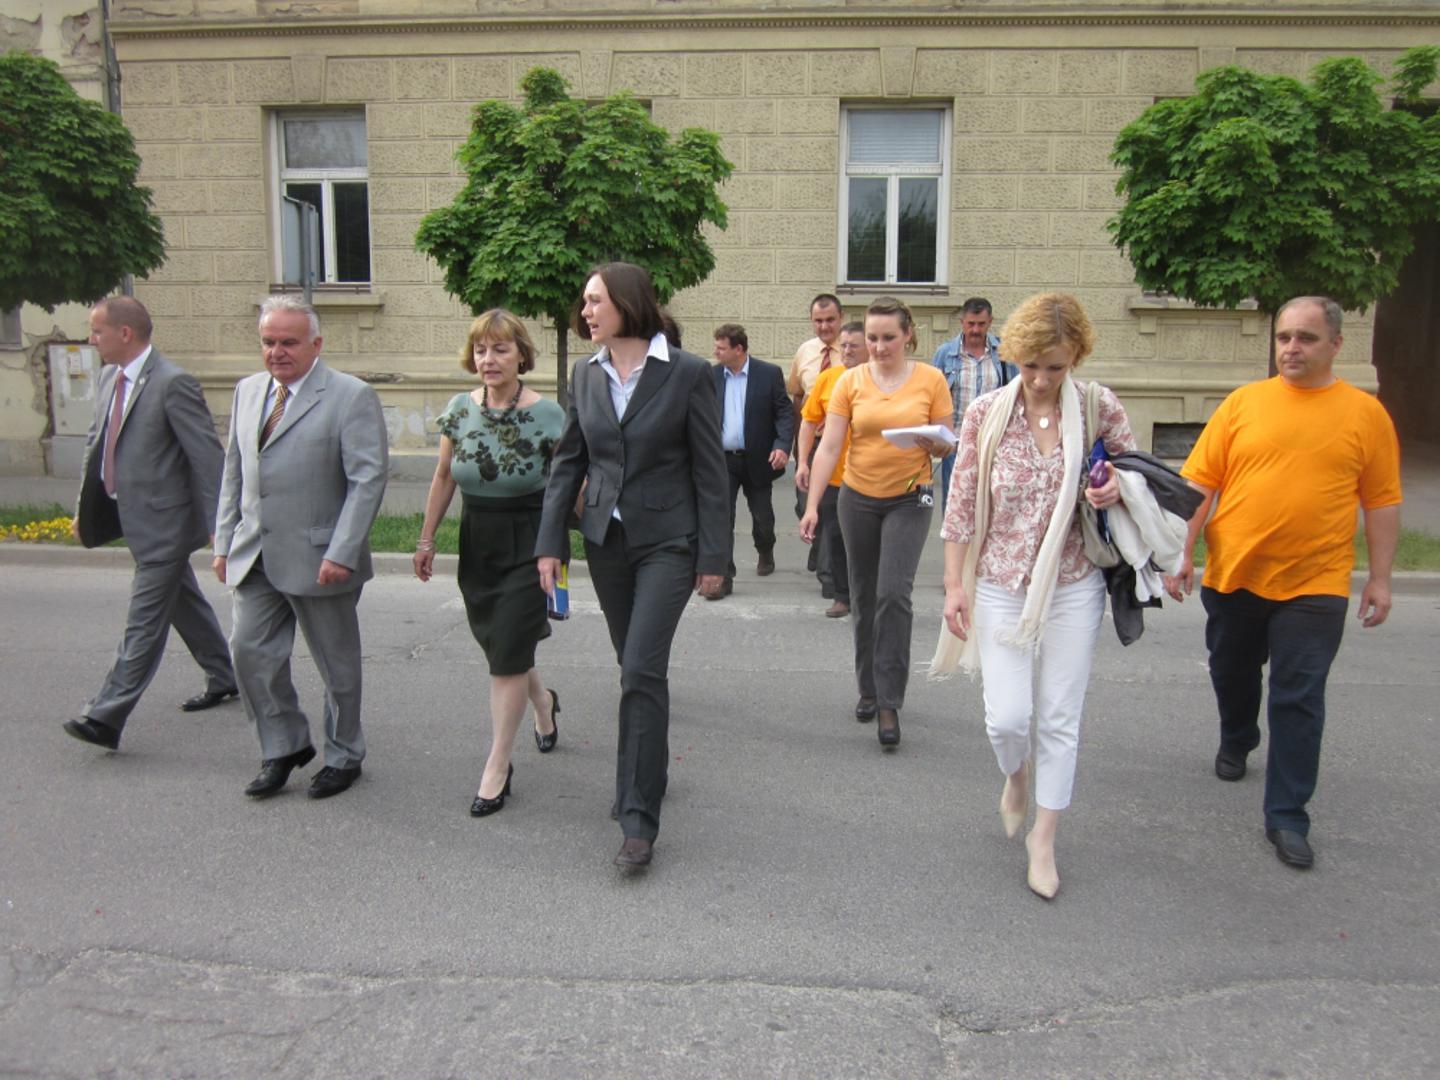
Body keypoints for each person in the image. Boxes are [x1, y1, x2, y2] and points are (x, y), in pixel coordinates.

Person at [1165, 296, 1402, 871]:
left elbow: (1382, 500)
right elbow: (1200, 484)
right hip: (1236, 572)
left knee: (1299, 697)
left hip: (1316, 582)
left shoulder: (1366, 415)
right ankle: (1238, 736)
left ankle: (1288, 816)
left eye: (1306, 338)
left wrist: (1381, 579)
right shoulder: (1243, 404)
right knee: (1232, 671)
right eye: (1284, 337)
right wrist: (1181, 551)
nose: (1291, 348)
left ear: (1336, 345)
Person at [937, 292, 1135, 900]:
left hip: (1074, 581)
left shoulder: (1098, 407)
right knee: (1008, 719)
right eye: (1031, 366)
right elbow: (962, 502)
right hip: (999, 581)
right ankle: (1016, 775)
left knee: (1058, 717)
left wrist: (1115, 487)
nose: (1043, 380)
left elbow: (1135, 477)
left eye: (1056, 366)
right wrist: (954, 584)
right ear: (1014, 357)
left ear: (1076, 357)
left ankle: (1044, 838)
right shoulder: (987, 412)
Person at [535, 262, 728, 870]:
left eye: (596, 301)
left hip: (669, 541)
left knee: (641, 668)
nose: (586, 311)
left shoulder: (688, 373)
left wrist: (714, 557)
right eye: (584, 302)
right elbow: (569, 461)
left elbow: (710, 471)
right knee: (634, 665)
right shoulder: (586, 374)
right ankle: (652, 767)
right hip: (606, 540)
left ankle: (637, 818)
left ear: (627, 302)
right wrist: (550, 544)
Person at [214, 296, 389, 800]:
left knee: (337, 668)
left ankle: (344, 754)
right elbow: (234, 471)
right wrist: (224, 540)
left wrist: (342, 551)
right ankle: (283, 745)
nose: (277, 352)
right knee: (249, 653)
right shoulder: (249, 391)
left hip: (321, 558)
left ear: (316, 343)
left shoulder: (350, 396)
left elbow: (367, 480)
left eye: (288, 342)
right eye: (268, 342)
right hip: (255, 553)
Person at [62, 296, 237, 752]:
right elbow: (97, 445)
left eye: (97, 331)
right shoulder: (109, 377)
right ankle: (225, 675)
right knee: (182, 600)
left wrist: (221, 524)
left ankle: (105, 714)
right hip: (132, 515)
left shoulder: (173, 383)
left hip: (165, 524)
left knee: (143, 621)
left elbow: (207, 458)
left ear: (125, 333)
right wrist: (83, 508)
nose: (91, 340)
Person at [413, 310, 566, 817]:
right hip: (478, 539)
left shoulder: (549, 415)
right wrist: (427, 539)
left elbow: (569, 484)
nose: (489, 359)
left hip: (531, 541)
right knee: (504, 647)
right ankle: (543, 702)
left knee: (506, 652)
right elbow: (444, 476)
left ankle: (498, 766)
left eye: (500, 349)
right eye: (481, 350)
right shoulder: (459, 409)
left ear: (521, 354)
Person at [799, 297, 953, 747]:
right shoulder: (850, 381)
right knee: (863, 595)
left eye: (888, 337)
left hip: (911, 497)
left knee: (893, 594)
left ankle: (889, 701)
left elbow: (946, 441)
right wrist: (812, 505)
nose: (879, 346)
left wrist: (936, 444)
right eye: (872, 337)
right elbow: (830, 446)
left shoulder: (931, 379)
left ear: (908, 335)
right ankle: (867, 687)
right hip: (858, 498)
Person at [710, 323, 793, 597]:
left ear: (739, 349)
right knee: (722, 518)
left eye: (721, 348)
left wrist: (782, 446)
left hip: (759, 459)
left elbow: (784, 413)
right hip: (723, 461)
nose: (716, 352)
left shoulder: (768, 374)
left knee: (762, 517)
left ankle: (765, 549)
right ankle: (724, 577)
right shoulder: (711, 376)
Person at [795, 320, 866, 618]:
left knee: (866, 540)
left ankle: (868, 595)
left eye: (854, 346)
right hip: (835, 476)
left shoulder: (878, 380)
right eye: (844, 345)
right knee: (835, 537)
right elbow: (809, 422)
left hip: (870, 477)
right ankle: (842, 596)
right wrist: (803, 461)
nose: (846, 351)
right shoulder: (828, 379)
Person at [930, 297, 1015, 507]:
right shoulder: (945, 354)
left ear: (990, 322)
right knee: (955, 504)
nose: (975, 330)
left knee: (992, 503)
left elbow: (1016, 393)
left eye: (981, 324)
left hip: (994, 442)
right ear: (962, 322)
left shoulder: (1004, 353)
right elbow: (931, 395)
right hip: (956, 443)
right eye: (971, 324)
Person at [788, 294, 845, 596]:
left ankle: (828, 576)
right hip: (812, 441)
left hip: (841, 443)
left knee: (829, 507)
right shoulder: (805, 352)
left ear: (841, 318)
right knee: (805, 504)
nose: (824, 326)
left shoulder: (852, 352)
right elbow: (797, 395)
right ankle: (818, 543)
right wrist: (798, 448)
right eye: (818, 321)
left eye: (830, 320)